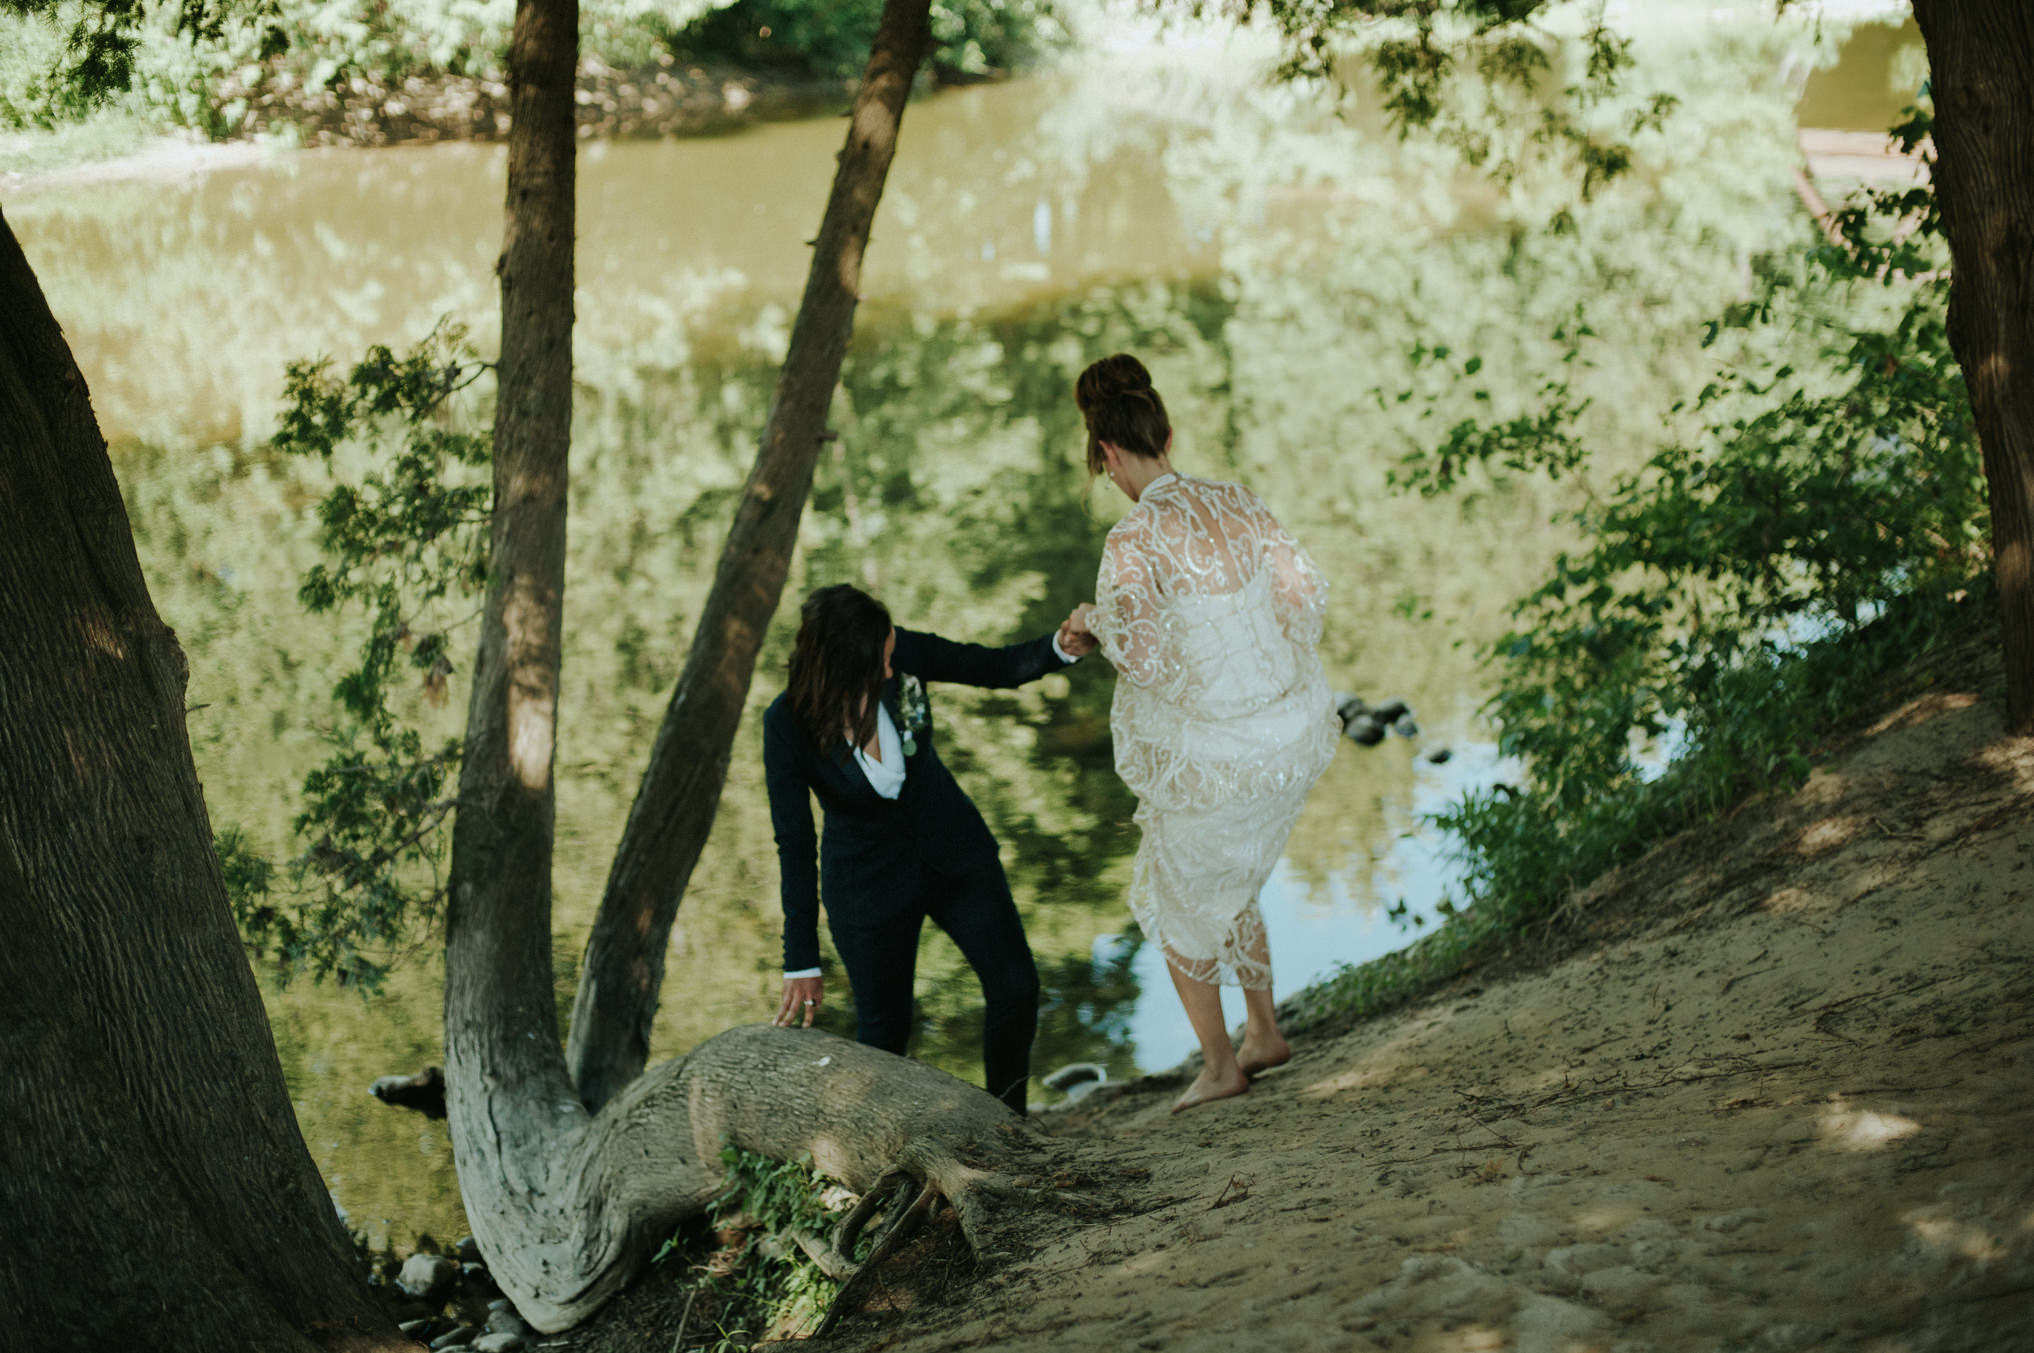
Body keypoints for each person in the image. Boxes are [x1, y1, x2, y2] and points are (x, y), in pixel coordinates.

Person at [1065, 353, 1339, 1112]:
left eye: (1104, 467)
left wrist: (1094, 621)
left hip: (1220, 751)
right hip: (1289, 729)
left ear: (1109, 453)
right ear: (1168, 432)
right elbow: (1305, 596)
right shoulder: (1239, 499)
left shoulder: (1132, 541)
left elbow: (1147, 659)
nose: (1111, 479)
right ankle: (1262, 1029)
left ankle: (1221, 1064)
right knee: (1226, 873)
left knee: (1172, 886)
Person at [763, 583, 1095, 1114]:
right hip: (867, 890)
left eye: (893, 654)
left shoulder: (896, 650)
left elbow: (992, 667)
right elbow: (794, 844)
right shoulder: (786, 725)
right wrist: (800, 958)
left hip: (955, 856)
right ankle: (888, 1155)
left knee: (1017, 988)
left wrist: (1061, 645)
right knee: (886, 1033)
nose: (893, 672)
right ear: (844, 665)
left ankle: (1009, 1122)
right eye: (883, 663)